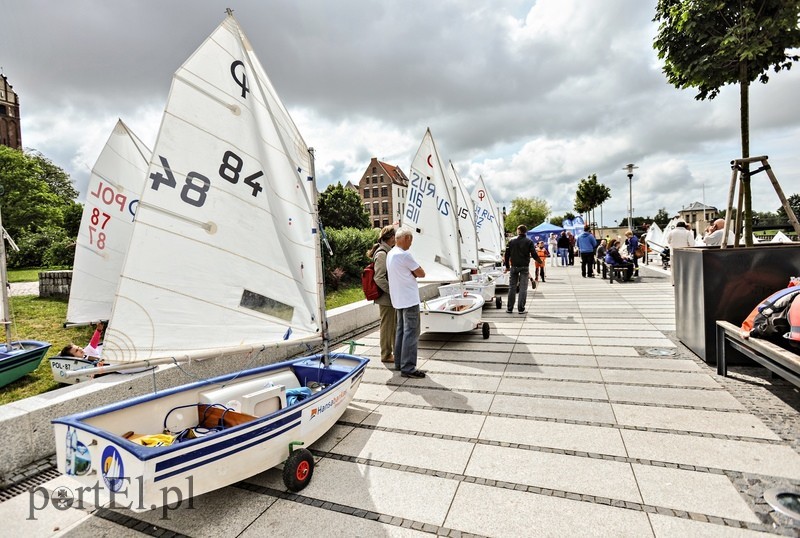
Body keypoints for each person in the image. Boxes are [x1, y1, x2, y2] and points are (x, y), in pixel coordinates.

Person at [386, 227, 426, 378]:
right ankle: (408, 367)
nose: (411, 243)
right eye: (411, 240)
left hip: (398, 299)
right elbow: (421, 273)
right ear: (406, 239)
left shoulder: (391, 253)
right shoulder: (404, 255)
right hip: (409, 299)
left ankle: (400, 363)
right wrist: (413, 273)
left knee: (401, 331)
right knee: (411, 332)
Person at [367, 225, 397, 363]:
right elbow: (379, 277)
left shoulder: (387, 251)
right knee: (386, 326)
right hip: (386, 298)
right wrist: (393, 292)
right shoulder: (382, 254)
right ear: (391, 238)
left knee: (392, 325)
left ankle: (394, 352)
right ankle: (385, 354)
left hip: (389, 297)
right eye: (395, 237)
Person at [504, 225, 541, 314]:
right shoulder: (529, 241)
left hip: (514, 267)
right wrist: (539, 261)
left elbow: (506, 254)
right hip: (524, 267)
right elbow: (534, 254)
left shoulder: (511, 241)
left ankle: (509, 308)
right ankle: (521, 309)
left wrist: (507, 267)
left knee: (512, 287)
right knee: (523, 288)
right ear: (525, 231)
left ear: (518, 231)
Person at [666, 220, 694, 285]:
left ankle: (674, 282)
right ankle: (684, 281)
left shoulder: (671, 232)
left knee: (673, 268)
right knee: (685, 267)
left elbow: (668, 241)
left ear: (676, 226)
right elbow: (692, 244)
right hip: (685, 252)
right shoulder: (687, 233)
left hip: (673, 252)